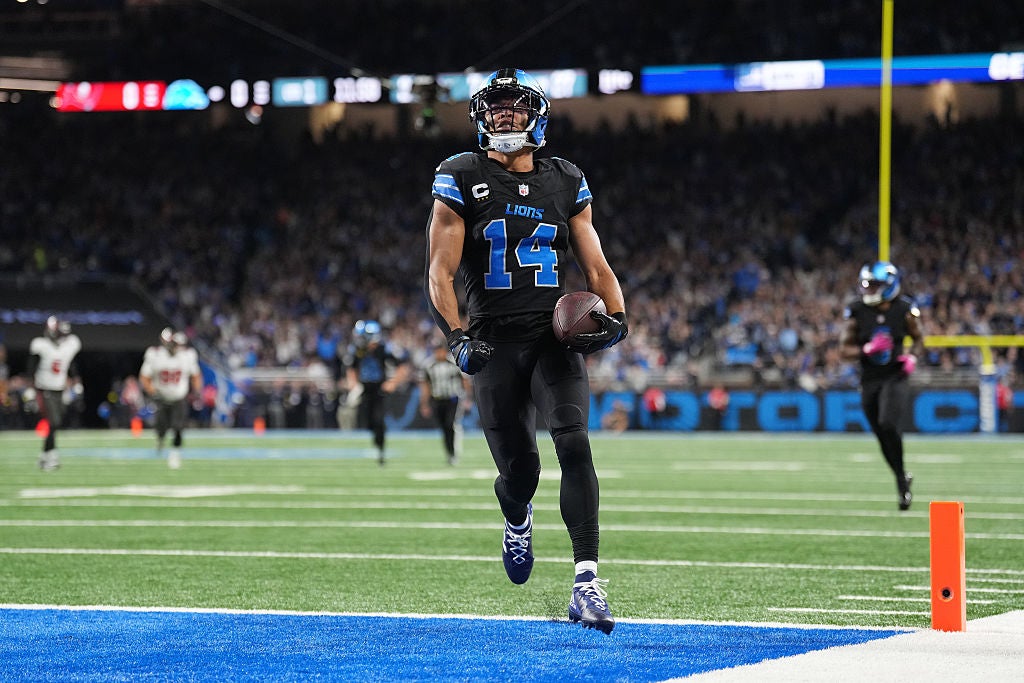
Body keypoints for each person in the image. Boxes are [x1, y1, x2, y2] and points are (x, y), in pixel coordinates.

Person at [424, 68, 628, 634]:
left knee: (575, 441)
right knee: (522, 474)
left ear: (536, 117)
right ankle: (517, 514)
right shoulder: (459, 175)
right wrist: (457, 336)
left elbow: (595, 263)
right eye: (495, 108)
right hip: (493, 341)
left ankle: (586, 582)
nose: (503, 116)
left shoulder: (564, 179)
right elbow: (439, 271)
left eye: (514, 108)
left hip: (551, 337)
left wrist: (618, 318)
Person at [840, 261, 924, 510]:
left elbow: (919, 339)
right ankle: (902, 474)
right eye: (867, 285)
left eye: (874, 285)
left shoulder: (905, 309)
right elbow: (843, 349)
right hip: (869, 379)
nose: (869, 289)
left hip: (895, 375)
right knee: (880, 433)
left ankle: (900, 482)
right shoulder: (856, 310)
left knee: (888, 423)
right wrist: (865, 349)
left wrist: (912, 357)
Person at [343, 320, 410, 465]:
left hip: (379, 388)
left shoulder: (384, 348)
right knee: (368, 422)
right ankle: (376, 441)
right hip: (363, 389)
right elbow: (351, 368)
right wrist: (354, 385)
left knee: (379, 420)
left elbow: (402, 366)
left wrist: (392, 382)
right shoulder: (356, 349)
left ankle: (381, 451)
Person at [139, 327, 202, 469]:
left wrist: (197, 390)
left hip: (179, 397)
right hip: (161, 397)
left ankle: (175, 452)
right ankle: (160, 440)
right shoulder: (155, 355)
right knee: (161, 427)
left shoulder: (187, 355)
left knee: (178, 427)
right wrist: (151, 390)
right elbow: (144, 376)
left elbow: (195, 375)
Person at [28, 316, 82, 470]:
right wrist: (31, 389)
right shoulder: (41, 345)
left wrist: (76, 380)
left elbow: (70, 364)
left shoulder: (67, 346)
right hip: (45, 389)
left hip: (60, 390)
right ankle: (51, 455)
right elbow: (31, 367)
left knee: (56, 423)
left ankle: (45, 456)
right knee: (54, 422)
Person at [419, 343, 468, 465]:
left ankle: (453, 452)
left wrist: (467, 398)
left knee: (449, 424)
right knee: (443, 427)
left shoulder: (454, 363)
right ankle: (449, 452)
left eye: (441, 351)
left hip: (453, 399)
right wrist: (424, 403)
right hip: (437, 399)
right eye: (437, 351)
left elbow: (464, 381)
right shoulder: (428, 365)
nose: (439, 354)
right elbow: (425, 386)